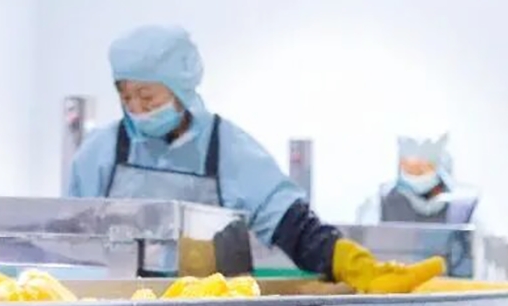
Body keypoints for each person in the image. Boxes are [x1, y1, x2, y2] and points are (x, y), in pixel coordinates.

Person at [66, 24, 427, 292]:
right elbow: (71, 241)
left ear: (180, 87)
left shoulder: (228, 150)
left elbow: (292, 225)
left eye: (147, 97)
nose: (136, 109)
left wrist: (353, 265)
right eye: (126, 97)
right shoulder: (100, 152)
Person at [355, 133, 479, 225]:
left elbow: (481, 247)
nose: (415, 175)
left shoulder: (465, 207)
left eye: (423, 168)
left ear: (439, 167)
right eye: (409, 168)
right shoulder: (380, 203)